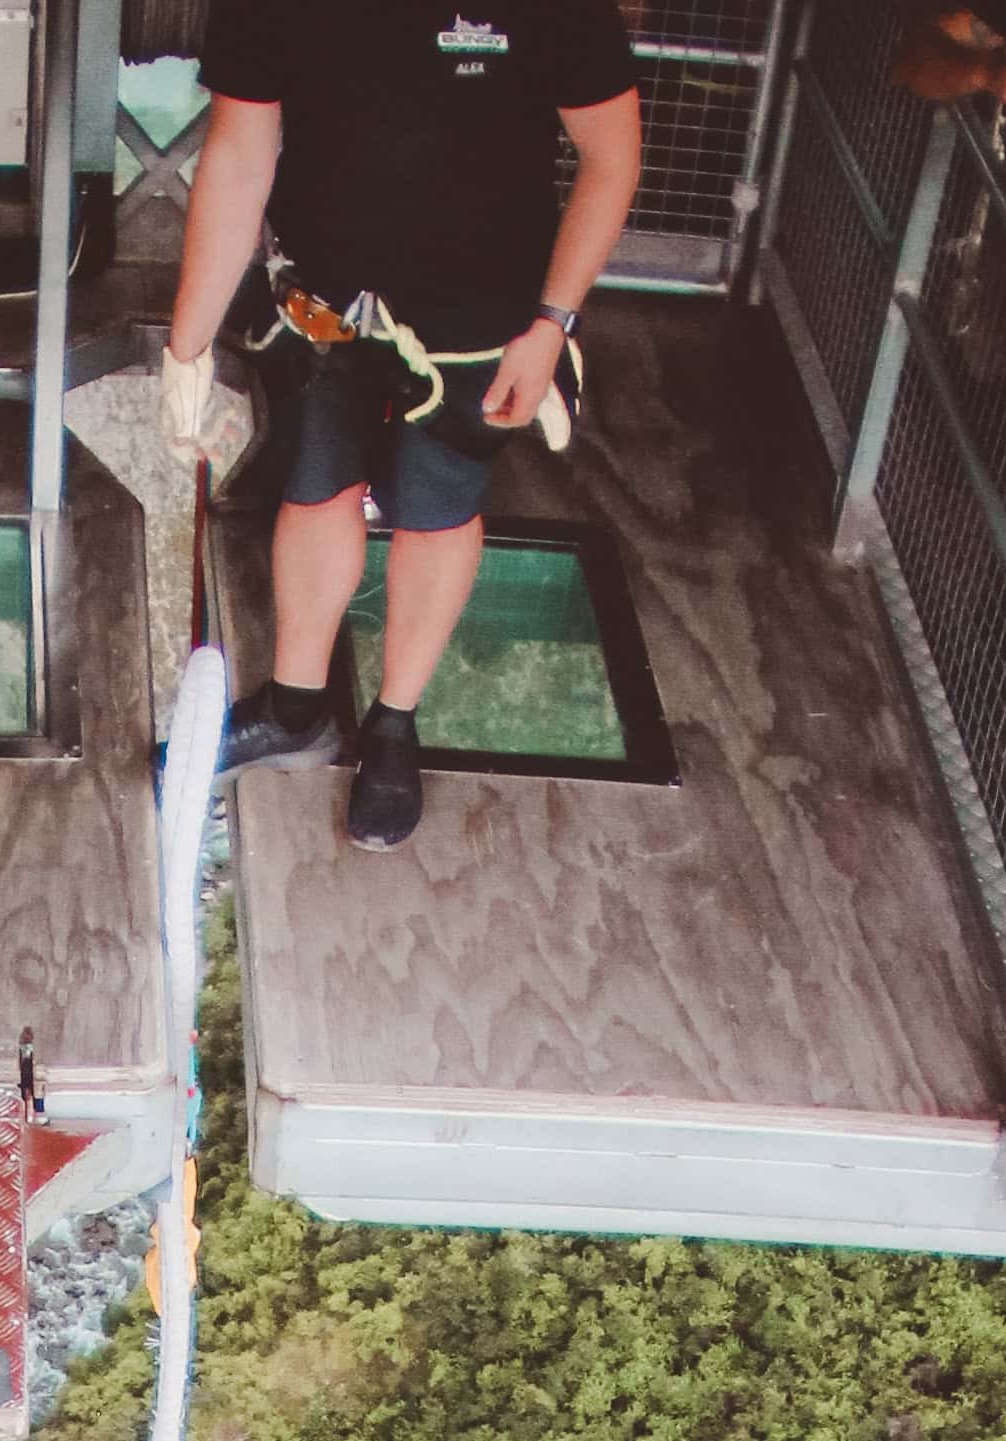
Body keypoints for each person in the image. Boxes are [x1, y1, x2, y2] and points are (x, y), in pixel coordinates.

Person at [161, 0, 643, 852]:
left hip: (484, 316)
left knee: (435, 507)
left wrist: (553, 324)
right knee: (316, 488)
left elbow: (611, 155)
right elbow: (239, 156)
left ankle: (393, 724)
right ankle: (296, 708)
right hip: (321, 297)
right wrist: (186, 344)